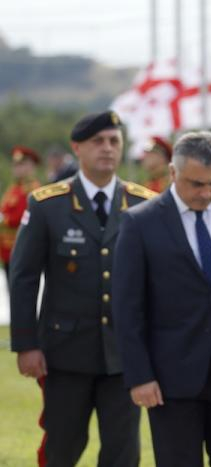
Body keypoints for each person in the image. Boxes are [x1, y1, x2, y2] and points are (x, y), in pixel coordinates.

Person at [9, 111, 156, 467]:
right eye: (98, 142)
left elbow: (158, 281)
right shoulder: (47, 205)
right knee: (62, 449)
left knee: (123, 454)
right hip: (64, 355)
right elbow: (24, 277)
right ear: (77, 148)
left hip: (124, 357)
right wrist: (26, 345)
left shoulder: (144, 204)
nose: (107, 149)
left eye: (114, 141)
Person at [113, 131, 211, 466]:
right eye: (196, 184)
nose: (207, 193)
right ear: (173, 173)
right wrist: (140, 376)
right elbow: (127, 307)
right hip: (169, 381)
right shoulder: (139, 222)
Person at [0, 146, 41, 279]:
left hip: (22, 248)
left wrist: (3, 219)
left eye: (21, 164)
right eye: (15, 165)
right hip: (8, 249)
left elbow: (23, 217)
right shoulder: (14, 188)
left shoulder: (33, 189)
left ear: (31, 166)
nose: (16, 168)